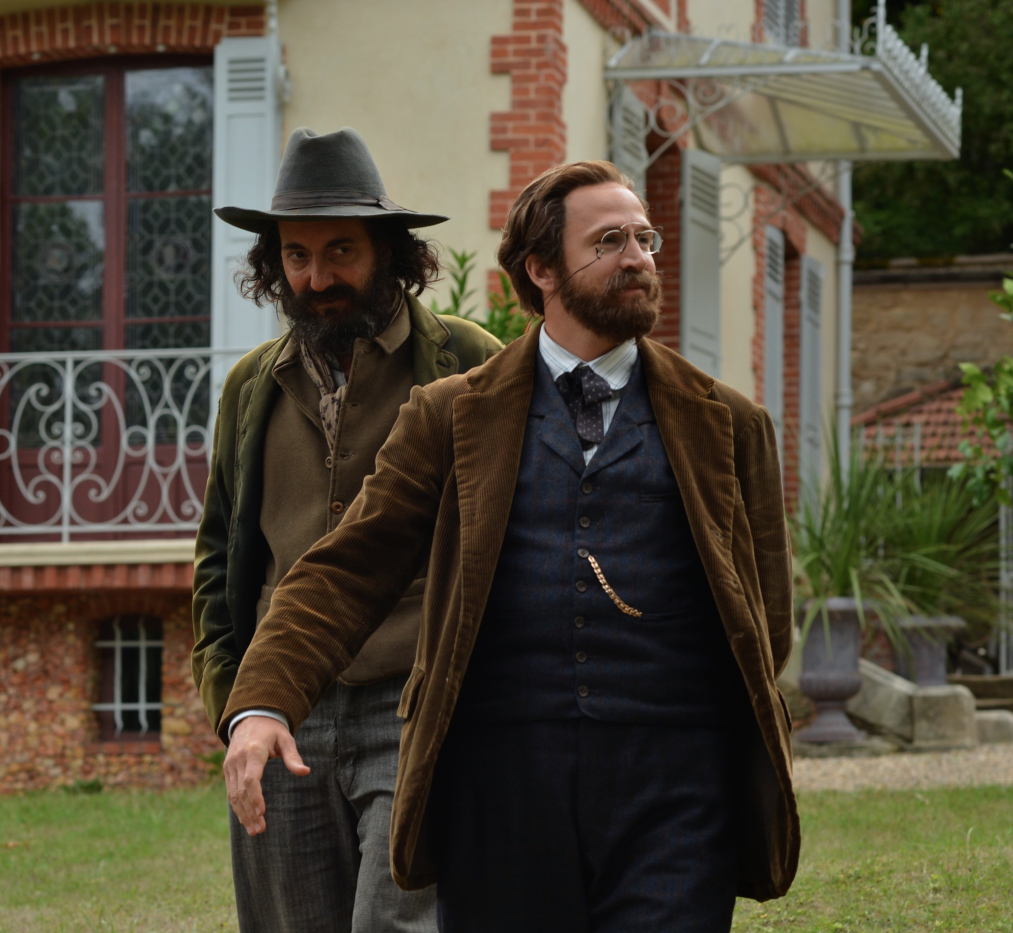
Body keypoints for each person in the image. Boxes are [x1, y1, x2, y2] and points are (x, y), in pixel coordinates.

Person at [220, 160, 799, 932]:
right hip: (499, 793)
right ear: (541, 270)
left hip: (676, 793)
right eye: (609, 242)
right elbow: (348, 568)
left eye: (644, 239)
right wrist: (263, 700)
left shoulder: (729, 423)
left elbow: (763, 613)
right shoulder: (452, 416)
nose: (637, 258)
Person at [191, 126, 502, 933]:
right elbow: (219, 557)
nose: (317, 277)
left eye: (340, 251)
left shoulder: (467, 362)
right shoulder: (250, 387)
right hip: (281, 710)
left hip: (415, 705)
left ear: (388, 251)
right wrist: (235, 702)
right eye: (296, 255)